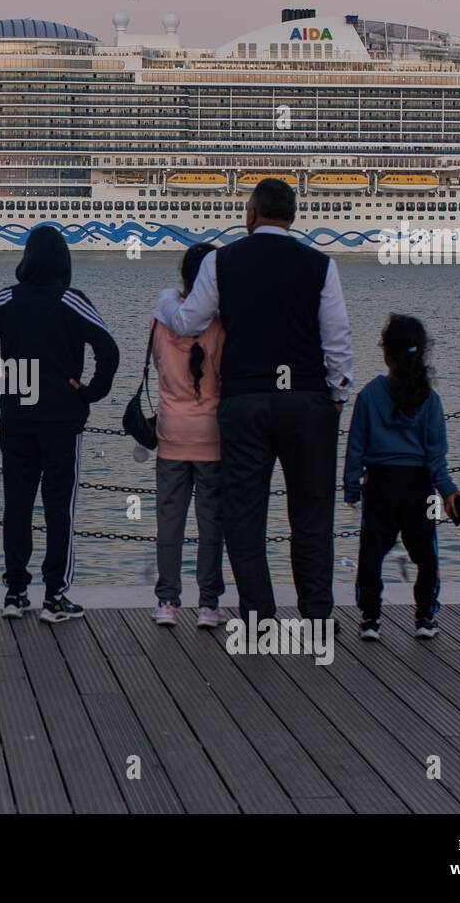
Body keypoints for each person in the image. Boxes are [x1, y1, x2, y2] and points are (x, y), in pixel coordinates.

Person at [155, 178, 353, 623]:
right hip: (306, 401)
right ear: (293, 216)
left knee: (244, 515)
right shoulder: (321, 264)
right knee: (312, 514)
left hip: (246, 401)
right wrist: (337, 394)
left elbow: (188, 323)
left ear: (250, 213)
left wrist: (165, 301)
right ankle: (317, 616)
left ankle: (259, 618)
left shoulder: (221, 261)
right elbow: (337, 339)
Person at [0, 225, 120, 624]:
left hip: (16, 417)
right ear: (64, 261)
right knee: (59, 509)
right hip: (63, 421)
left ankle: (15, 593)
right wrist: (89, 392)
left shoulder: (7, 298)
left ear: (26, 258)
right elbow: (109, 349)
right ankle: (55, 597)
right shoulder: (71, 300)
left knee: (17, 506)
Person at [344, 314, 460, 640]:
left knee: (371, 555)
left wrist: (351, 486)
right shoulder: (431, 401)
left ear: (386, 353)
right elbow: (437, 458)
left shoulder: (368, 396)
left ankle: (370, 619)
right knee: (426, 555)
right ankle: (425, 617)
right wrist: (448, 491)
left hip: (380, 485)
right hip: (419, 488)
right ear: (421, 353)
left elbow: (355, 447)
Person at [150, 242, 227, 628]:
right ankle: (209, 605)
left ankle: (167, 602)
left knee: (170, 521)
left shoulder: (161, 319)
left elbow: (159, 368)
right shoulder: (220, 324)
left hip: (170, 433)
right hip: (211, 436)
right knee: (211, 522)